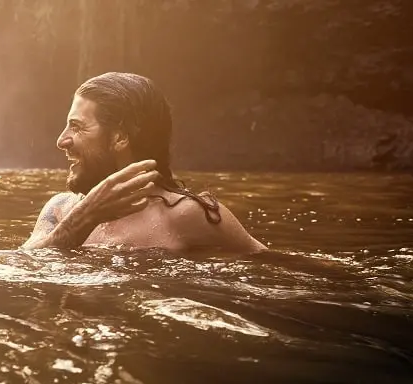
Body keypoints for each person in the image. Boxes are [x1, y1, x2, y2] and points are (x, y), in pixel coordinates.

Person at [22, 72, 266, 254]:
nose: (61, 140)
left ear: (120, 137)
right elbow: (22, 267)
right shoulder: (59, 209)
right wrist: (86, 217)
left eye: (76, 126)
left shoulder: (186, 215)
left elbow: (276, 272)